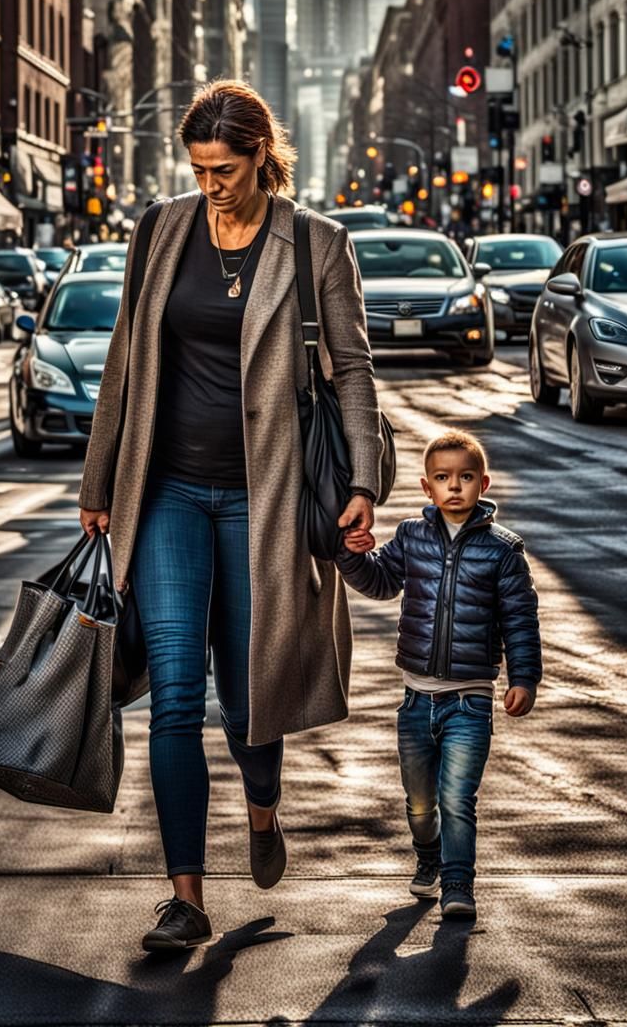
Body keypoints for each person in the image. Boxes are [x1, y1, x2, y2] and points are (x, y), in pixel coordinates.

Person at [78, 79, 384, 951]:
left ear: (262, 156)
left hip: (268, 497)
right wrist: (99, 482)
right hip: (167, 489)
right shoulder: (160, 229)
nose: (212, 184)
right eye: (199, 167)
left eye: (227, 168)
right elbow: (125, 359)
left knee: (250, 695)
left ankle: (261, 814)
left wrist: (363, 478)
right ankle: (186, 898)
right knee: (175, 694)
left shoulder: (316, 244)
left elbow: (352, 372)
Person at [337, 429, 542, 919]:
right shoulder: (411, 537)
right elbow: (382, 581)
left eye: (466, 478)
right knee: (420, 802)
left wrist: (524, 677)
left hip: (469, 701)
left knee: (457, 799)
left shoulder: (503, 551)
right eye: (444, 478)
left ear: (483, 484)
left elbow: (520, 618)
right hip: (415, 701)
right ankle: (427, 857)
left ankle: (458, 885)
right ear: (427, 488)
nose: (456, 487)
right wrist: (351, 553)